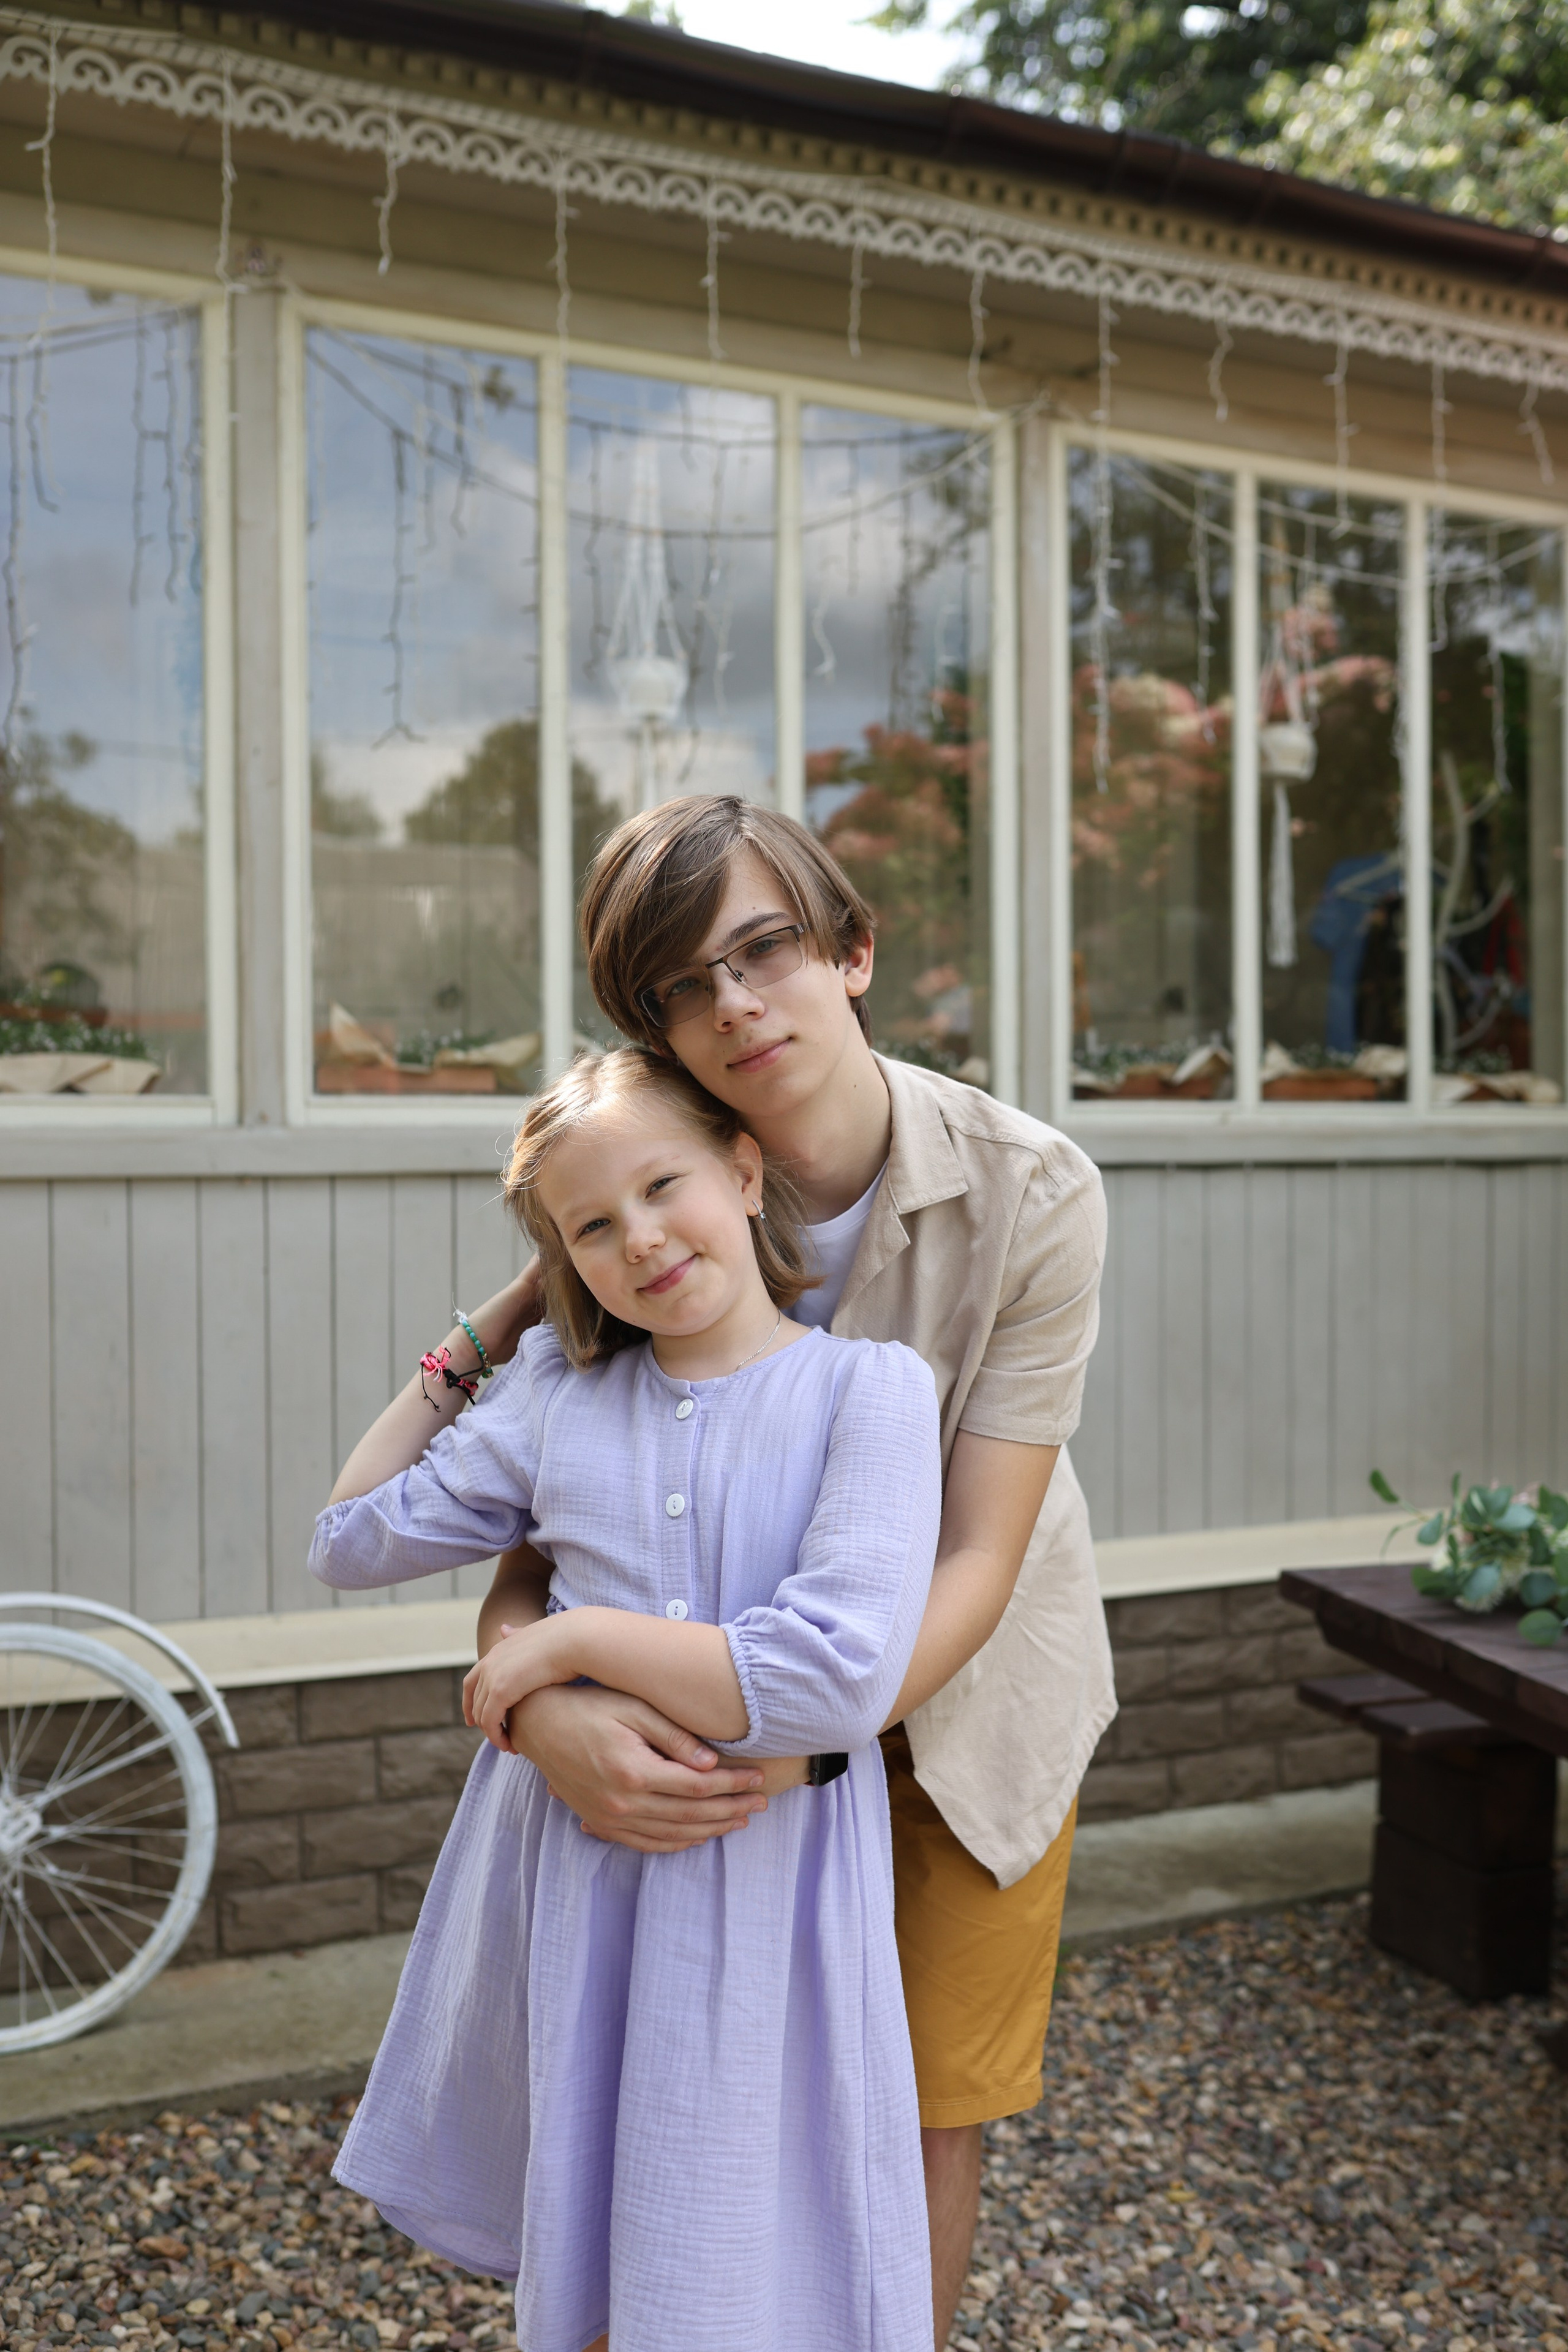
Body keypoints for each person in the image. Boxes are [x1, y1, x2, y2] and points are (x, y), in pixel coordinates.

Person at [477, 797, 1115, 2349]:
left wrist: (798, 1727)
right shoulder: (641, 1194)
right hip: (689, 1715)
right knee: (668, 2108)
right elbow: (527, 1530)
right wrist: (524, 1704)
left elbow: (980, 1546)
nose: (735, 1004)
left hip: (964, 1710)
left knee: (915, 2121)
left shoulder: (1034, 1192)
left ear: (851, 949)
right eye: (683, 988)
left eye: (762, 950)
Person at [309, 1046, 943, 2352]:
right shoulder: (555, 1398)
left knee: (742, 2254)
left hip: (766, 1891)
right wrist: (495, 1325)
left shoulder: (863, 1393)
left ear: (742, 1165)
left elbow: (831, 1676)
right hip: (575, 1884)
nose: (641, 1240)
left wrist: (566, 1641)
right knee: (594, 2249)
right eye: (592, 1228)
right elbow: (350, 1538)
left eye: (664, 1186)